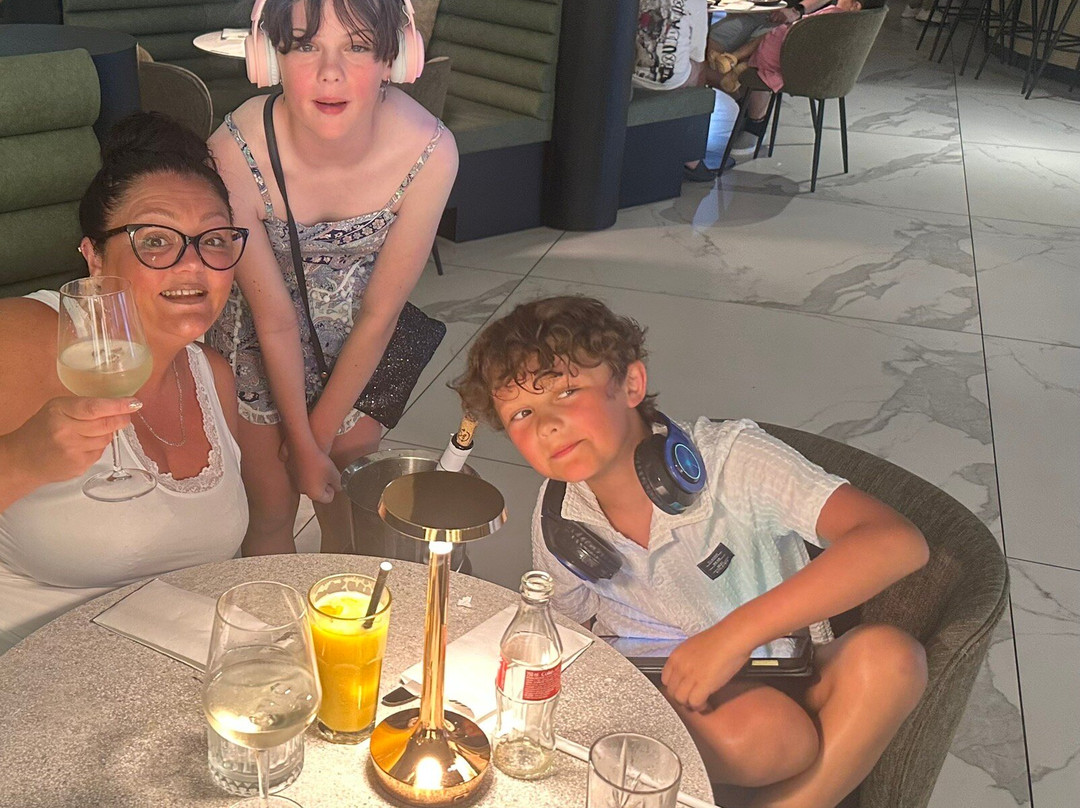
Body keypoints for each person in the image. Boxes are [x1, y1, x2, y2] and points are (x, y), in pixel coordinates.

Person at [451, 296, 930, 808]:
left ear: (631, 385)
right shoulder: (558, 516)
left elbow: (897, 543)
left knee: (893, 659)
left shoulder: (733, 459)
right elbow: (568, 635)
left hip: (785, 663)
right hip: (662, 691)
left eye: (567, 391)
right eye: (522, 413)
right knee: (770, 736)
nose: (546, 424)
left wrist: (734, 636)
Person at [207, 0, 458, 555]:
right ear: (269, 57)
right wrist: (299, 443)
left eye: (358, 46)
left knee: (347, 515)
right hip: (255, 345)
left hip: (361, 347)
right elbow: (273, 319)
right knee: (270, 511)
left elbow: (379, 314)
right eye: (305, 46)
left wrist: (316, 441)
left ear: (396, 58)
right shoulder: (232, 149)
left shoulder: (431, 152)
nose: (330, 72)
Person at [0, 112, 249, 655]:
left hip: (170, 669)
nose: (193, 266)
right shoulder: (17, 337)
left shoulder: (214, 376)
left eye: (214, 240)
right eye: (155, 241)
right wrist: (21, 459)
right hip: (28, 670)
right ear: (93, 257)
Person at [632, 0, 717, 181]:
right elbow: (697, 52)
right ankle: (692, 158)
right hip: (670, 80)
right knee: (699, 69)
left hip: (627, 78)